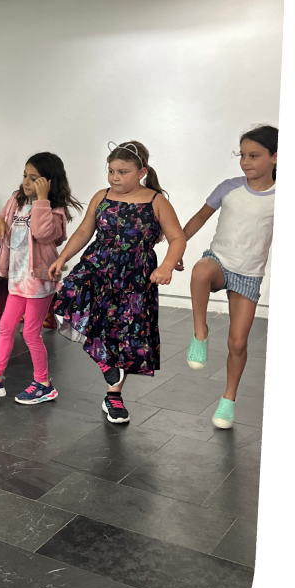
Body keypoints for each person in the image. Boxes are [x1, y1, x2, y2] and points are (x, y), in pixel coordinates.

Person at [49, 141, 186, 424]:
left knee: (123, 334)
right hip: (98, 268)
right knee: (71, 301)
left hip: (135, 277)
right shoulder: (102, 196)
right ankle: (106, 364)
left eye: (122, 172)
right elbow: (85, 231)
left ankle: (113, 395)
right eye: (111, 171)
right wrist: (62, 259)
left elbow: (177, 238)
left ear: (142, 172)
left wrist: (167, 266)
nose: (114, 177)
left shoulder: (155, 201)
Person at [177, 125, 279, 429]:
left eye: (254, 155)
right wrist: (176, 249)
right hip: (220, 262)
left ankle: (228, 399)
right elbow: (198, 218)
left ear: (276, 158)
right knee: (200, 270)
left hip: (249, 275)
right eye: (242, 155)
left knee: (238, 344)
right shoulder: (229, 187)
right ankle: (200, 333)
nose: (246, 162)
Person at [0, 153, 81, 403]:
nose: (26, 182)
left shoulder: (55, 210)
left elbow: (43, 234)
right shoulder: (16, 201)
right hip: (17, 280)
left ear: (49, 182)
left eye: (34, 178)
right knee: (5, 327)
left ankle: (44, 383)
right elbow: (0, 218)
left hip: (39, 282)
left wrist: (41, 200)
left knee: (30, 333)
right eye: (25, 176)